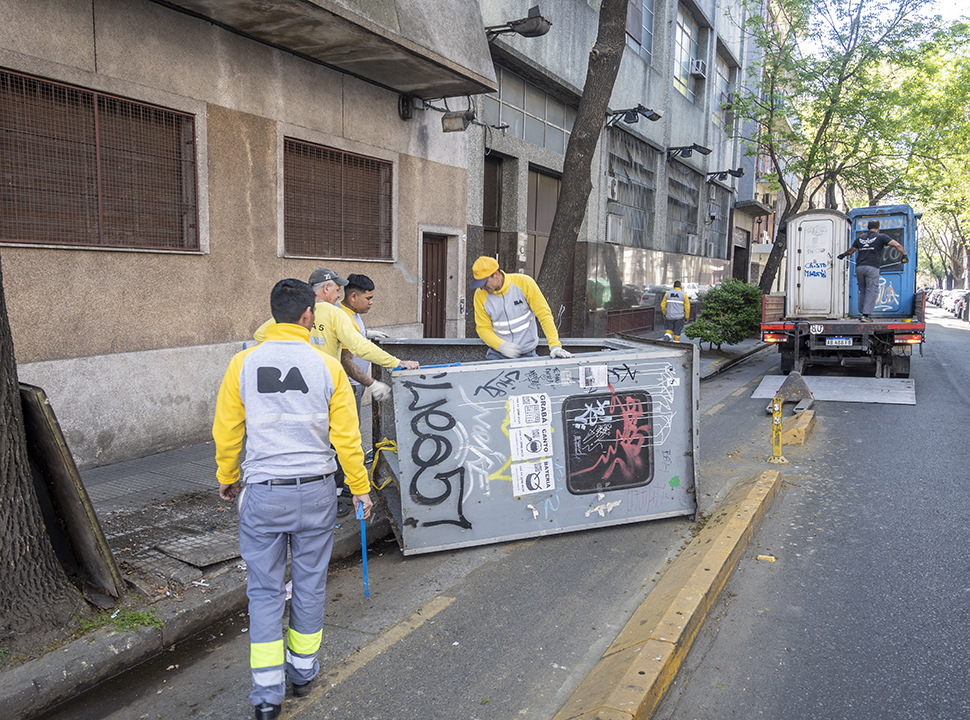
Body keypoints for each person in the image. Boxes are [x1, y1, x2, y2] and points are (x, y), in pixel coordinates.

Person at [214, 278, 373, 720]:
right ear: (309, 316)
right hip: (318, 492)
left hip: (263, 492)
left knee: (264, 591)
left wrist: (227, 475)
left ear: (274, 314)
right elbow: (347, 437)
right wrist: (359, 488)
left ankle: (266, 696)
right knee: (308, 583)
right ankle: (302, 674)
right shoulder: (328, 367)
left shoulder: (242, 364)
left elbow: (227, 430)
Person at [255, 270, 418, 517]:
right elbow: (360, 347)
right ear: (325, 289)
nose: (339, 293)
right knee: (340, 440)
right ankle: (338, 495)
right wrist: (395, 363)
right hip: (327, 389)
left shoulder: (291, 315)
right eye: (336, 289)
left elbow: (259, 335)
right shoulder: (334, 313)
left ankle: (307, 497)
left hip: (294, 390)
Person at [470, 256, 572, 360]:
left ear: (496, 274)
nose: (482, 288)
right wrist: (501, 345)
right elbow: (483, 328)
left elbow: (544, 315)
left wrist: (555, 346)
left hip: (527, 352)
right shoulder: (480, 295)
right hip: (497, 353)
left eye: (484, 283)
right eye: (479, 284)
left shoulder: (524, 283)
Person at [837, 220, 909, 320]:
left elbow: (851, 251)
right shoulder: (881, 237)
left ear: (867, 227)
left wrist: (842, 255)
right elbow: (897, 245)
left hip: (859, 268)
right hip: (872, 268)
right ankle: (866, 315)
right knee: (871, 291)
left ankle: (862, 313)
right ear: (878, 227)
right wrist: (904, 255)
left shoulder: (860, 238)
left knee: (862, 290)